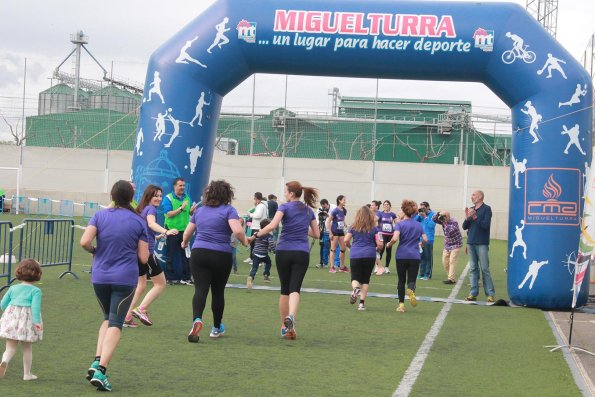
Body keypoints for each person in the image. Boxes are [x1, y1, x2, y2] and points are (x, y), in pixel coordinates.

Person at [80, 180, 149, 392]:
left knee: (107, 318)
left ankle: (96, 360)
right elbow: (144, 258)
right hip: (124, 278)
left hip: (100, 276)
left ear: (112, 195)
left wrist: (95, 251)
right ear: (131, 198)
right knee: (116, 323)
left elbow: (84, 242)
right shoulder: (138, 221)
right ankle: (102, 369)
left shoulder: (99, 215)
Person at [182, 180, 248, 343]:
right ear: (227, 195)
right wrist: (245, 241)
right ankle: (216, 328)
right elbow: (238, 230)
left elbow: (188, 233)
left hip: (199, 253)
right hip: (221, 255)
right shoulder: (229, 210)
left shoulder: (200, 210)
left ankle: (196, 320)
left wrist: (184, 243)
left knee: (200, 290)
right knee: (218, 292)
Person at [255, 181, 319, 340]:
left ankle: (284, 327)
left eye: (285, 192)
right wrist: (304, 229)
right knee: (295, 288)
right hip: (301, 253)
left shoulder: (283, 207)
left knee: (284, 289)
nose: (284, 194)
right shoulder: (308, 210)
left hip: (283, 251)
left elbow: (272, 226)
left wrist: (257, 234)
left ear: (291, 194)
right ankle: (291, 316)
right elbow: (316, 234)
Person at [124, 185, 177, 328]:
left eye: (161, 196)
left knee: (141, 285)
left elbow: (147, 229)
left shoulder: (142, 209)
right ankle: (141, 309)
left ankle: (127, 316)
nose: (159, 198)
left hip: (138, 251)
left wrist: (157, 236)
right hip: (146, 252)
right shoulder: (151, 209)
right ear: (148, 196)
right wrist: (166, 231)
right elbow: (152, 224)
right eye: (156, 196)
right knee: (160, 284)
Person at [0, 259, 43, 381]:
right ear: (37, 274)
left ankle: (4, 361)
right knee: (27, 347)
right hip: (27, 322)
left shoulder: (13, 288)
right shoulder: (36, 291)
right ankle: (27, 374)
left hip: (12, 320)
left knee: (10, 348)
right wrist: (37, 323)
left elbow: (2, 305)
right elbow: (35, 308)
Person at [387, 200, 427, 313]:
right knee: (412, 279)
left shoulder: (400, 224)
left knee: (401, 280)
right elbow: (425, 239)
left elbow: (394, 239)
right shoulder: (418, 225)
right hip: (414, 255)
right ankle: (410, 289)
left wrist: (389, 244)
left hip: (401, 255)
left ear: (404, 211)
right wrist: (421, 245)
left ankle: (401, 305)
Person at [344, 207, 383, 311]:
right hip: (370, 254)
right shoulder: (375, 228)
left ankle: (356, 289)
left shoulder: (353, 227)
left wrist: (350, 246)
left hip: (356, 253)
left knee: (355, 277)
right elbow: (380, 244)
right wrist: (376, 249)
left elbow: (346, 240)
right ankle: (361, 304)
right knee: (366, 279)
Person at [162, 178, 197, 285]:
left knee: (186, 255)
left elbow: (189, 214)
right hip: (172, 231)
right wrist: (181, 208)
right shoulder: (168, 198)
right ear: (175, 186)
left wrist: (192, 211)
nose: (182, 187)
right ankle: (170, 277)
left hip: (185, 231)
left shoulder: (187, 197)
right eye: (180, 185)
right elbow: (168, 214)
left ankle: (186, 277)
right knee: (170, 255)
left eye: (183, 185)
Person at [462, 190, 495, 302]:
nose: (472, 197)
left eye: (474, 195)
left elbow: (485, 225)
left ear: (480, 197)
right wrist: (468, 217)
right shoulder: (472, 210)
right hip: (471, 242)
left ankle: (490, 294)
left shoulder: (487, 209)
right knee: (473, 269)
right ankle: (473, 293)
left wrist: (475, 216)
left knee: (485, 268)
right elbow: (464, 226)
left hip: (482, 243)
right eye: (472, 195)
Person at [431, 211, 463, 285]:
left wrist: (444, 222)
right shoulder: (443, 220)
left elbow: (450, 231)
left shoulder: (454, 222)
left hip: (456, 244)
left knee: (452, 261)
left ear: (448, 216)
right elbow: (433, 219)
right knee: (444, 261)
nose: (442, 218)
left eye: (444, 216)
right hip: (447, 245)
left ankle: (451, 279)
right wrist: (438, 214)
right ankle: (451, 276)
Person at [246, 219, 276, 288]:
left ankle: (251, 278)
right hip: (263, 254)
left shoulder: (256, 233)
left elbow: (252, 240)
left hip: (255, 253)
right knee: (268, 262)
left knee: (254, 268)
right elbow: (271, 244)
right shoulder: (269, 236)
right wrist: (274, 251)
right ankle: (266, 275)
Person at [327, 195, 349, 273]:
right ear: (339, 201)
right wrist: (330, 233)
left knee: (343, 249)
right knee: (333, 249)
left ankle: (342, 267)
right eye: (344, 200)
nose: (345, 201)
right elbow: (328, 222)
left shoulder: (344, 210)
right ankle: (332, 267)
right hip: (334, 232)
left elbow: (342, 219)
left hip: (341, 232)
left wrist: (345, 224)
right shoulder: (335, 211)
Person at [415, 201, 436, 280]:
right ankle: (421, 273)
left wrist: (425, 217)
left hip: (429, 239)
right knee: (421, 257)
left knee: (428, 257)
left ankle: (427, 275)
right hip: (420, 239)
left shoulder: (433, 215)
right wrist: (418, 213)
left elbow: (431, 225)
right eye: (421, 208)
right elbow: (414, 222)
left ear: (428, 207)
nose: (422, 210)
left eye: (423, 208)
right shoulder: (420, 214)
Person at [377, 200, 398, 274]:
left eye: (387, 204)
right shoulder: (380, 214)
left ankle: (386, 267)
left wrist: (395, 230)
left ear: (390, 206)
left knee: (388, 250)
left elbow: (397, 223)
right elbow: (375, 220)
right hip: (382, 234)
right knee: (381, 250)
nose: (386, 206)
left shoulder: (393, 214)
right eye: (384, 205)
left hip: (390, 235)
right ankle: (378, 266)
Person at [249, 192, 268, 261]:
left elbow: (258, 215)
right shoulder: (260, 205)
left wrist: (250, 215)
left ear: (256, 198)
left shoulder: (261, 206)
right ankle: (252, 257)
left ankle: (256, 260)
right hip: (256, 227)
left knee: (255, 244)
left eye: (254, 198)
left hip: (257, 228)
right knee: (253, 244)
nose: (253, 200)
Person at [316, 199, 331, 268]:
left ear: (327, 204)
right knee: (323, 246)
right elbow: (317, 220)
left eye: (325, 206)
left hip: (330, 230)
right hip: (323, 231)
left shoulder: (332, 209)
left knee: (328, 247)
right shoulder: (319, 210)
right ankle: (323, 262)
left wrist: (328, 215)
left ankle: (331, 262)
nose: (324, 208)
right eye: (323, 207)